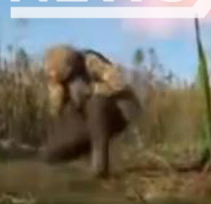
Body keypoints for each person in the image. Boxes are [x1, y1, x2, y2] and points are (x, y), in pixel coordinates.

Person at [40, 45, 141, 177]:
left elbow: (119, 84)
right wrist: (56, 91)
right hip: (85, 118)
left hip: (117, 112)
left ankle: (100, 166)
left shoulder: (90, 61)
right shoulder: (56, 77)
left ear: (71, 66)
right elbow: (56, 111)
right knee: (50, 154)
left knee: (96, 102)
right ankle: (87, 154)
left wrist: (92, 90)